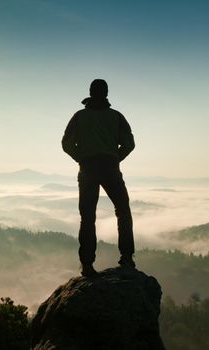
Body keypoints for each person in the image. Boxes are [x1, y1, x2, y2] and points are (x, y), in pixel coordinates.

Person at [61, 79, 136, 276]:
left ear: (90, 92)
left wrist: (81, 158)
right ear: (106, 93)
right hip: (110, 167)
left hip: (88, 169)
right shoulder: (116, 117)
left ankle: (87, 264)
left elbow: (66, 143)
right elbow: (129, 143)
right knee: (123, 210)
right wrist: (116, 158)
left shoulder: (79, 117)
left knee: (87, 217)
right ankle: (127, 258)